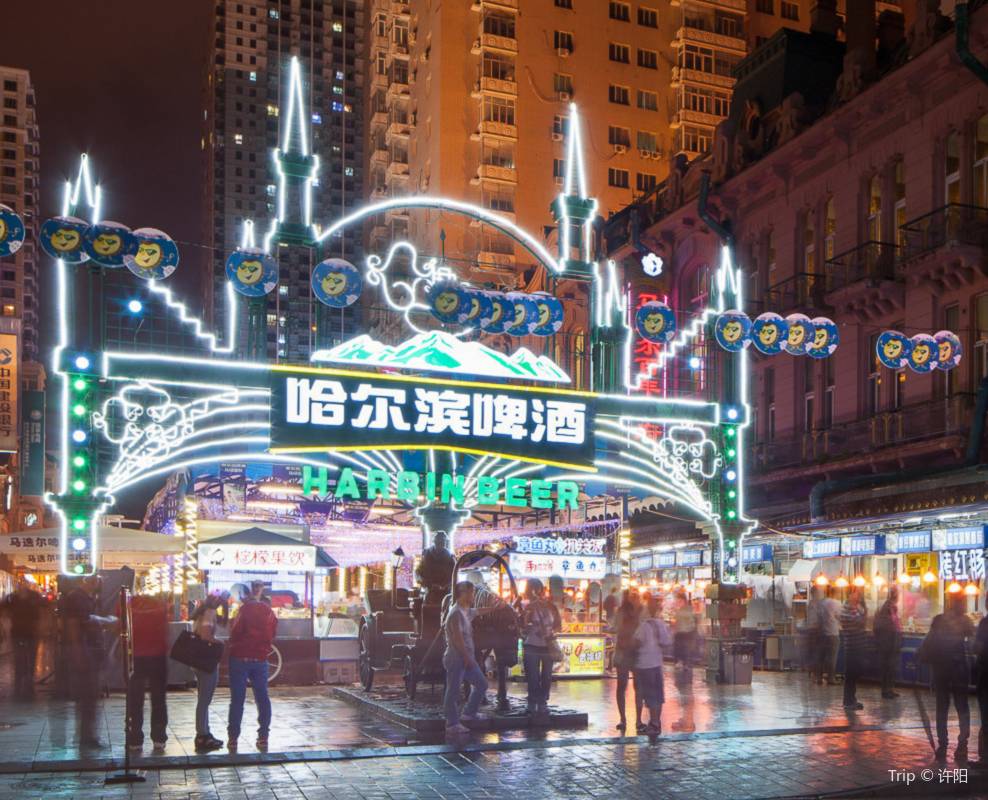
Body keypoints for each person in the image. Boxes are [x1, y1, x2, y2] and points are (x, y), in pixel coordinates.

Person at [59, 576, 116, 748]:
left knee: (89, 696)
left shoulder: (87, 598)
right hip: (85, 652)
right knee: (88, 695)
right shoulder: (78, 598)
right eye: (97, 578)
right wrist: (79, 652)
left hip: (88, 652)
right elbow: (76, 625)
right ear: (87, 579)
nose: (100, 582)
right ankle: (86, 737)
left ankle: (86, 735)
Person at [919, 593, 974, 764]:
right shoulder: (966, 621)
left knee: (942, 707)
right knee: (962, 707)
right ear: (960, 603)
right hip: (959, 670)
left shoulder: (939, 619)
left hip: (941, 669)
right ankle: (962, 743)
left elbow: (928, 642)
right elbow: (972, 645)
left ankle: (943, 744)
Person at [442, 580, 499, 734]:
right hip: (457, 657)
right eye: (472, 592)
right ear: (464, 593)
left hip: (466, 657)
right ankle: (452, 723)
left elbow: (478, 611)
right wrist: (467, 657)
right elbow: (457, 638)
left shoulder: (465, 610)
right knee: (453, 690)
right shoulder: (455, 613)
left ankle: (468, 713)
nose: (474, 595)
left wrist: (494, 608)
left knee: (481, 684)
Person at [227, 580, 277, 752]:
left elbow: (235, 632)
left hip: (240, 658)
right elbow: (273, 632)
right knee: (262, 697)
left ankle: (233, 738)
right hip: (260, 659)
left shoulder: (244, 610)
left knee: (237, 700)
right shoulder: (268, 611)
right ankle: (263, 736)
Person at [126, 593, 169, 753]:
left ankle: (135, 739)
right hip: (158, 657)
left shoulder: (130, 607)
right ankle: (159, 738)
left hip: (136, 657)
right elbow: (165, 631)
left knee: (135, 700)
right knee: (158, 699)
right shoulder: (159, 606)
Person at [191, 593, 228, 753]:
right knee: (204, 699)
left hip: (199, 659)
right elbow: (206, 635)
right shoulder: (209, 613)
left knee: (203, 698)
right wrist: (220, 642)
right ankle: (202, 735)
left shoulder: (202, 612)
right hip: (206, 660)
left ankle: (205, 732)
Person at [521, 578, 561, 718]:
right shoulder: (527, 606)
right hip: (531, 644)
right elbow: (523, 626)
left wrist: (548, 631)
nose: (533, 593)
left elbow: (558, 625)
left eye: (534, 590)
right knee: (532, 676)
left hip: (546, 645)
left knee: (545, 676)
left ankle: (541, 703)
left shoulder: (551, 606)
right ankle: (534, 703)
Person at [633, 594, 672, 735]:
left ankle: (654, 723)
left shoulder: (643, 626)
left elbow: (636, 643)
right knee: (658, 695)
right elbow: (667, 642)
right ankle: (656, 722)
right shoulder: (661, 624)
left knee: (650, 695)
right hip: (657, 664)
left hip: (644, 665)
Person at [1, 583, 43, 699]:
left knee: (22, 659)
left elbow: (3, 609)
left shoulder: (13, 597)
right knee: (25, 659)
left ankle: (21, 686)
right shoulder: (27, 597)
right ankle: (25, 686)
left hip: (24, 633)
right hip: (24, 633)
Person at [611, 590, 643, 733]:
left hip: (629, 652)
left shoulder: (635, 612)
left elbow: (616, 628)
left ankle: (630, 719)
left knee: (628, 687)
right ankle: (631, 719)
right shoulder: (631, 612)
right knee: (630, 686)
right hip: (629, 652)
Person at [840, 588, 868, 711]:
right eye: (856, 593)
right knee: (851, 674)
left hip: (858, 645)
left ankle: (852, 698)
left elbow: (861, 621)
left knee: (856, 671)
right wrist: (863, 616)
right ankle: (848, 701)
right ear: (850, 594)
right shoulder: (847, 609)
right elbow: (859, 621)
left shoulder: (856, 608)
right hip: (852, 646)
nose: (858, 595)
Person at [873, 585, 902, 699]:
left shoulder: (889, 607)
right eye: (897, 594)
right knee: (888, 667)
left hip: (888, 642)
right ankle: (886, 690)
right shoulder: (889, 607)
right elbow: (892, 626)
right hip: (888, 642)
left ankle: (889, 689)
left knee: (889, 667)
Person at [973, 606, 988, 767]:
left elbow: (978, 647)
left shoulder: (985, 623)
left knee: (986, 717)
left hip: (985, 673)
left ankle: (985, 759)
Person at [818, 588, 841, 685]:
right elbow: (840, 616)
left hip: (823, 633)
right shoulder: (837, 603)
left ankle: (818, 677)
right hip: (833, 633)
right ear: (836, 593)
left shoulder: (822, 603)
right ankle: (831, 678)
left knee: (821, 656)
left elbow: (818, 616)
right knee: (832, 657)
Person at [673, 591, 698, 669]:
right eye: (677, 601)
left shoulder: (688, 609)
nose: (677, 602)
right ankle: (682, 662)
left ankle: (685, 663)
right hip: (680, 632)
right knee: (679, 648)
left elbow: (692, 620)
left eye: (679, 601)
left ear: (684, 600)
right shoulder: (679, 610)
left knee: (685, 648)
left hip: (687, 632)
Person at [804, 585, 822, 684]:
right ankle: (816, 675)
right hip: (815, 631)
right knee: (817, 654)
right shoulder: (816, 604)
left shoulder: (810, 604)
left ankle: (815, 674)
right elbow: (818, 618)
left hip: (811, 630)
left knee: (814, 653)